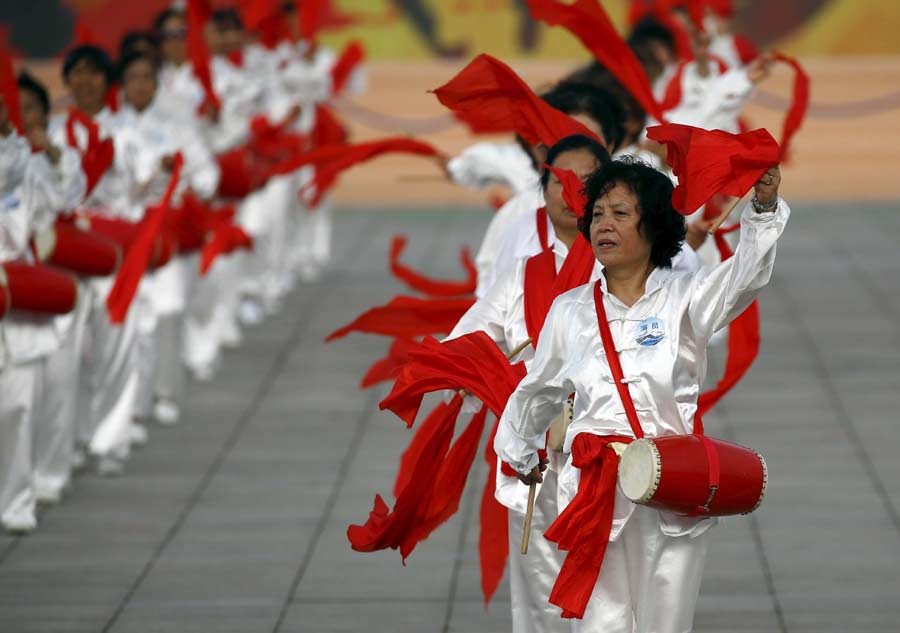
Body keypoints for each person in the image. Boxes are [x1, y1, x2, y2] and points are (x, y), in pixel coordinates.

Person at [495, 158, 788, 632]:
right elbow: (538, 391)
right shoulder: (569, 311)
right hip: (594, 489)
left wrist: (764, 206)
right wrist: (517, 453)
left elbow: (747, 276)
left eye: (621, 213)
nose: (603, 224)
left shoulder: (688, 297)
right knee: (600, 625)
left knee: (664, 623)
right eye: (597, 215)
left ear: (652, 225)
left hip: (674, 484)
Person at [448, 134, 609, 633]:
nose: (569, 193)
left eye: (584, 183)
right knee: (540, 601)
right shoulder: (523, 275)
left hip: (609, 462)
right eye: (557, 182)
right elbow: (471, 337)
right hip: (535, 466)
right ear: (541, 190)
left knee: (611, 600)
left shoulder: (627, 270)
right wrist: (461, 370)